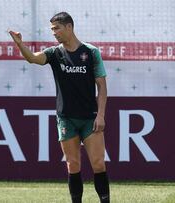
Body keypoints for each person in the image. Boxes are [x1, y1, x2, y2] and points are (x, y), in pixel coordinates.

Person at [9, 12, 109, 203]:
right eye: (52, 29)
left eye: (57, 28)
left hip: (90, 117)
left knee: (98, 164)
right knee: (73, 165)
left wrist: (101, 115)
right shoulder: (55, 53)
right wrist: (20, 44)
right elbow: (33, 59)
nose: (54, 33)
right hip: (66, 118)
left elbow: (102, 86)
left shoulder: (91, 52)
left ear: (69, 27)